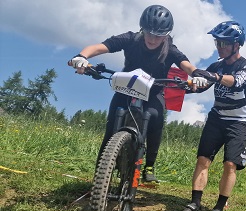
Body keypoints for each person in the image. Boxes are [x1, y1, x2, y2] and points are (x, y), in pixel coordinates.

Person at [69, 5, 207, 186]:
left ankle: (149, 166)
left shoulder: (170, 49)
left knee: (156, 117)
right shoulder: (130, 39)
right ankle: (99, 181)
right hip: (126, 88)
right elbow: (100, 47)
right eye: (149, 33)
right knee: (111, 130)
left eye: (158, 35)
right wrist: (82, 56)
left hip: (154, 92)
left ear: (166, 34)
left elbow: (187, 65)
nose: (152, 38)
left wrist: (197, 75)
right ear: (142, 28)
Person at [175, 21, 246, 211]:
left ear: (236, 45)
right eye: (217, 42)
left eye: (224, 43)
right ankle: (194, 204)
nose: (219, 46)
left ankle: (218, 210)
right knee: (203, 160)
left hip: (238, 122)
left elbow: (235, 82)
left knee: (230, 165)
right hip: (216, 118)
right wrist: (185, 86)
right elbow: (199, 87)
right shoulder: (216, 66)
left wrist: (214, 77)